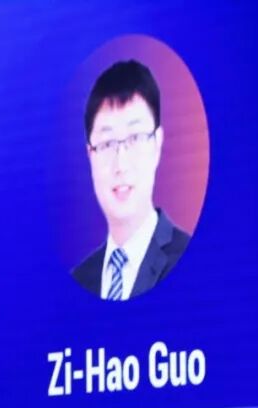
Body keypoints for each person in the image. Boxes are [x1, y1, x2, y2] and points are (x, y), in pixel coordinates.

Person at [72, 59, 190, 300]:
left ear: (157, 144)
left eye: (135, 138)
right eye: (107, 144)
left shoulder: (189, 260)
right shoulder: (80, 279)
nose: (121, 164)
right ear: (90, 155)